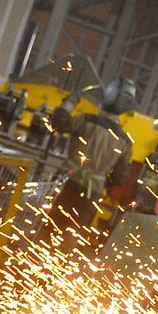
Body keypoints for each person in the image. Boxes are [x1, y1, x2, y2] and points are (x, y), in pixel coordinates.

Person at [46, 78, 136, 242]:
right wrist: (102, 182)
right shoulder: (125, 141)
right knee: (71, 238)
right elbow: (120, 177)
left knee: (50, 230)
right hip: (92, 193)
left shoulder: (87, 120)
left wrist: (70, 101)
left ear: (106, 99)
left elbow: (59, 123)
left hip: (70, 183)